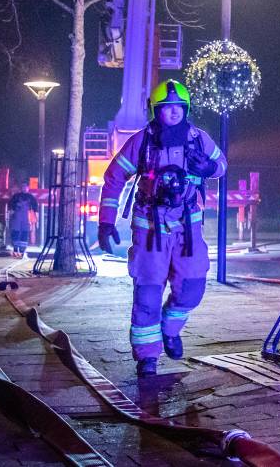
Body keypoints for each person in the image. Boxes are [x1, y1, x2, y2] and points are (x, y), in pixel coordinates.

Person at [97, 80, 226, 376]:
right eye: (166, 108)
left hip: (188, 230)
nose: (172, 113)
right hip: (150, 231)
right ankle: (147, 357)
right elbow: (115, 178)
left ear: (186, 109)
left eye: (178, 108)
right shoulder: (142, 142)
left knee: (192, 287)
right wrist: (106, 222)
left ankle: (170, 328)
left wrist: (208, 168)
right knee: (147, 294)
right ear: (156, 111)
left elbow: (221, 165)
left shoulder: (199, 139)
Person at [6, 183, 39, 257]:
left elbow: (35, 208)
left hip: (26, 218)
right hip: (17, 217)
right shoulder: (16, 196)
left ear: (28, 188)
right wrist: (11, 211)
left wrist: (36, 218)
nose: (24, 188)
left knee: (25, 233)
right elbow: (10, 205)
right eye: (23, 187)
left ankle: (22, 251)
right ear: (21, 188)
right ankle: (15, 249)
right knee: (15, 232)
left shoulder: (31, 197)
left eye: (26, 187)